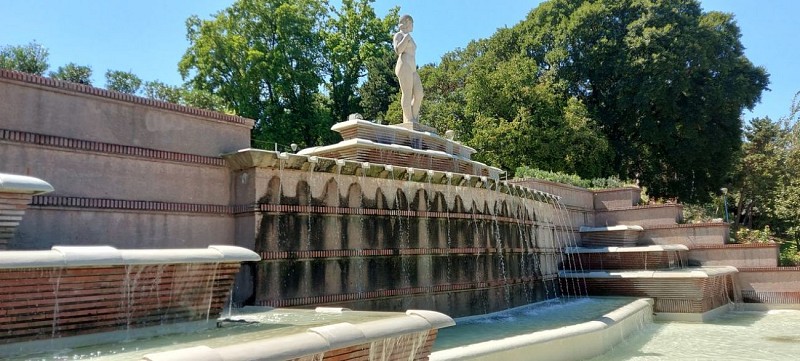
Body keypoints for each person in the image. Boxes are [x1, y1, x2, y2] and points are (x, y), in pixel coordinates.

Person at [393, 15, 424, 124]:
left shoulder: (410, 37)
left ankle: (413, 117)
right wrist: (406, 38)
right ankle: (409, 119)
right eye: (411, 23)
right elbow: (398, 50)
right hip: (404, 65)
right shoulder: (399, 35)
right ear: (406, 23)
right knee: (407, 93)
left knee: (419, 93)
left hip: (412, 68)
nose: (413, 25)